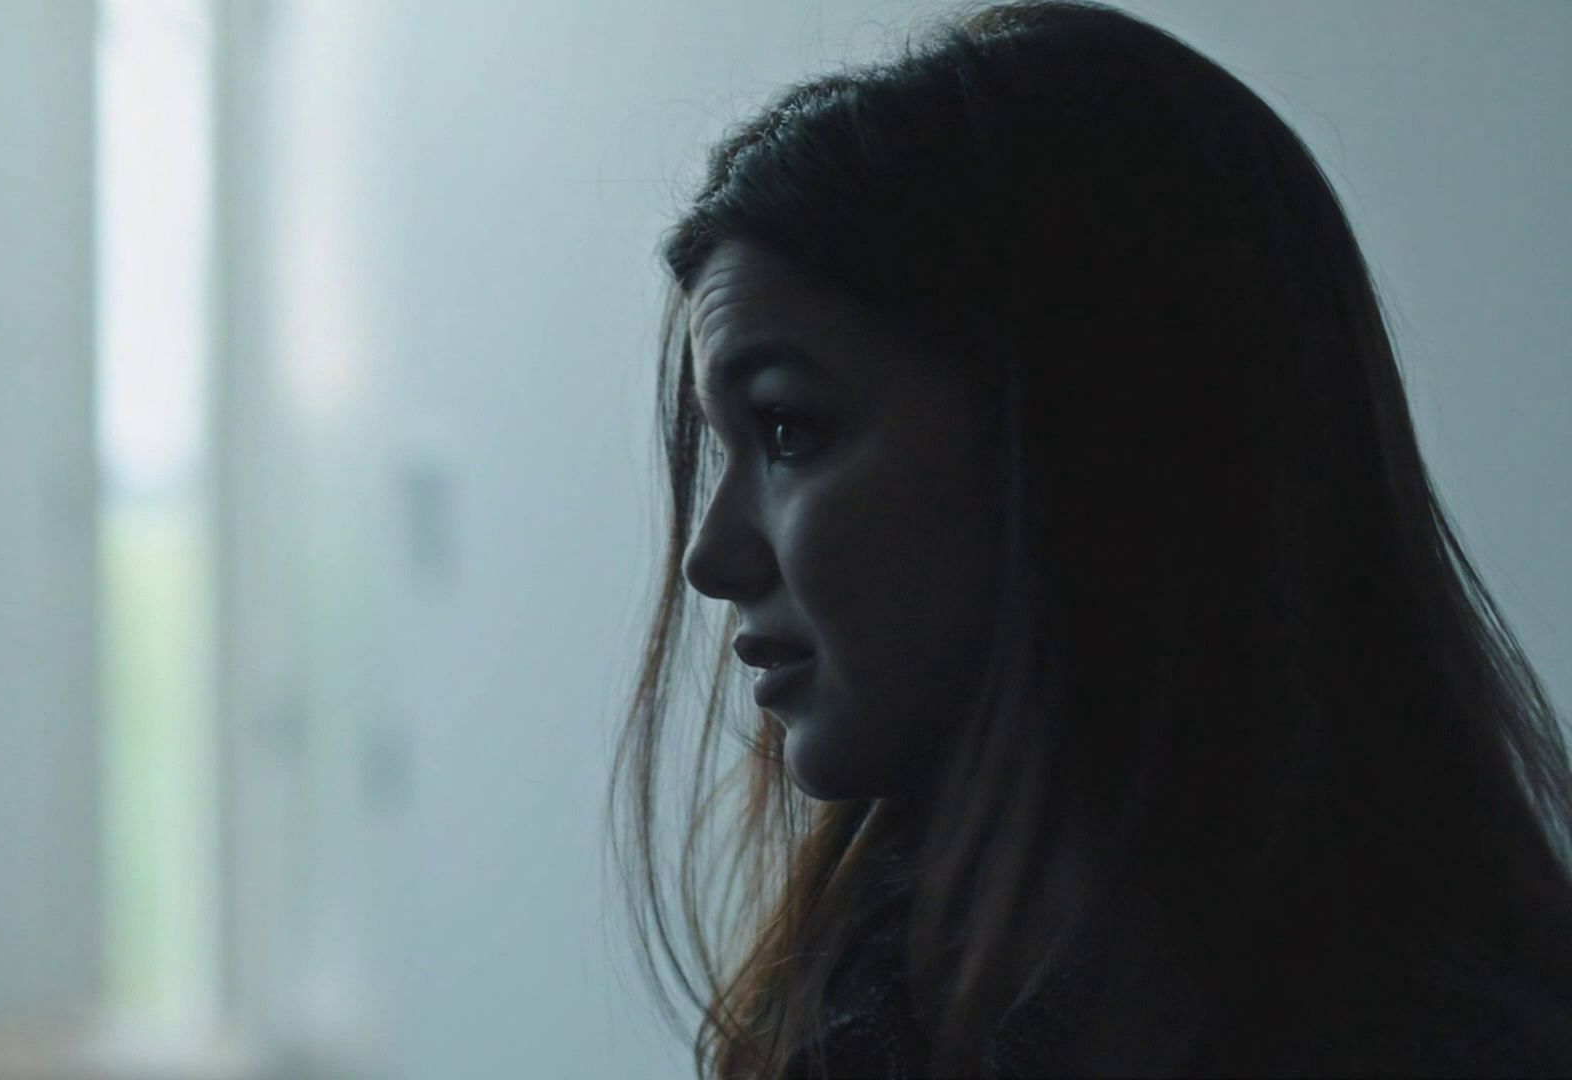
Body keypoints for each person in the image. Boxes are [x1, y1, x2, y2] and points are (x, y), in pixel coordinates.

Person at [604, 1, 1572, 1076]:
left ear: (1088, 436)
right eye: (726, 448)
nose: (712, 559)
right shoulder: (847, 1031)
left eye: (790, 430)